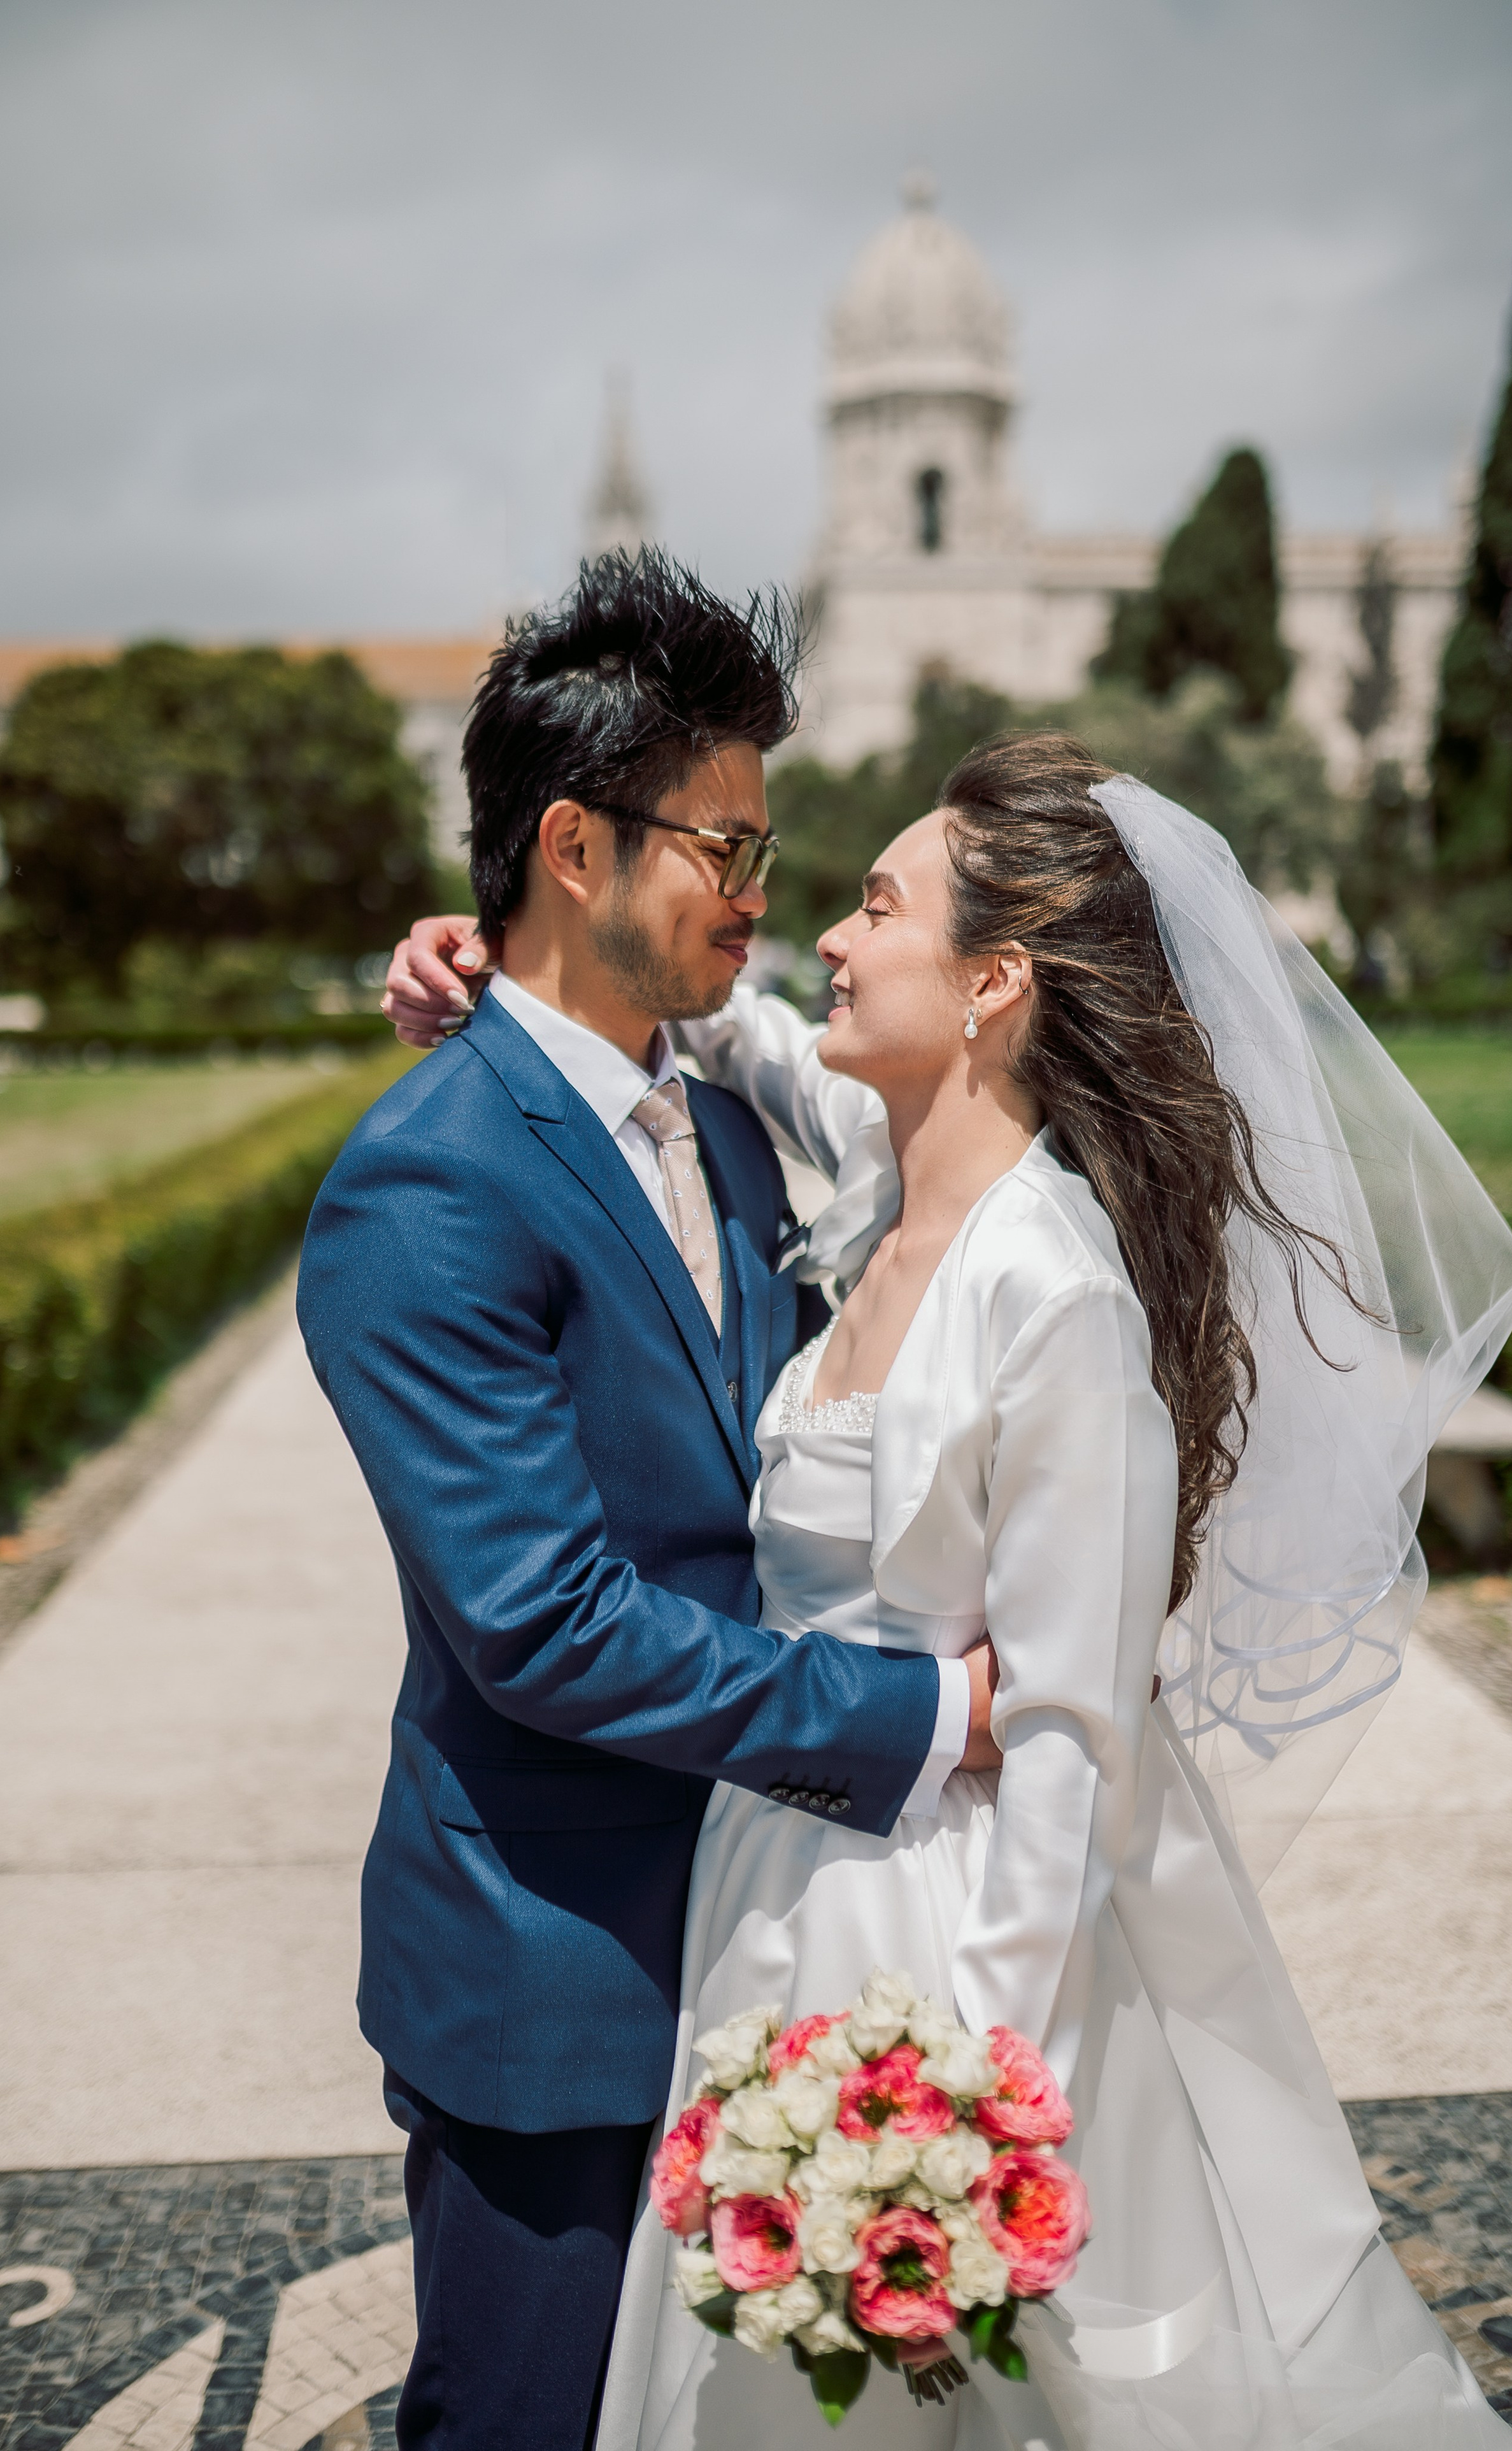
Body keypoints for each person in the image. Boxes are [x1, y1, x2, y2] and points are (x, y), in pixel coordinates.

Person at [388, 732, 1512, 2447]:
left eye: (874, 905)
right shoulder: (875, 1186)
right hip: (774, 1888)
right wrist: (488, 971)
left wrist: (964, 2107)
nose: (827, 939)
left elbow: (1071, 1744)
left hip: (958, 1931)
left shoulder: (1052, 1293)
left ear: (993, 984)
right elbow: (732, 1032)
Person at [296, 550, 1001, 2451]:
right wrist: (922, 1717)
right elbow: (542, 1624)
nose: (762, 895)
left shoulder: (734, 1121)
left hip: (771, 1927)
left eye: (769, 848)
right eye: (725, 847)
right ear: (574, 849)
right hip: (558, 1974)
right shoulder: (429, 1183)